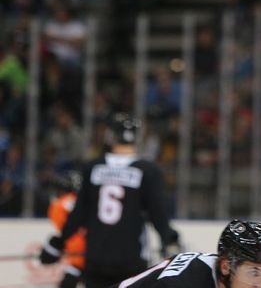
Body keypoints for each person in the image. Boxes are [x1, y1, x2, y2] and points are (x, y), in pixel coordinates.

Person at [40, 113, 180, 288]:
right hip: (131, 257)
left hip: (96, 257)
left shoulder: (93, 167)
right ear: (137, 137)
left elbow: (79, 214)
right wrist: (169, 240)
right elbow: (157, 213)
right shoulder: (147, 170)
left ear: (110, 136)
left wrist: (58, 243)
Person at [113, 220, 261, 288]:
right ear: (226, 267)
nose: (260, 284)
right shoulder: (183, 284)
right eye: (254, 272)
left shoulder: (214, 273)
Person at [47, 171, 86, 288]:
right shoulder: (90, 202)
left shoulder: (61, 204)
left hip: (82, 257)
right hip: (93, 256)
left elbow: (69, 232)